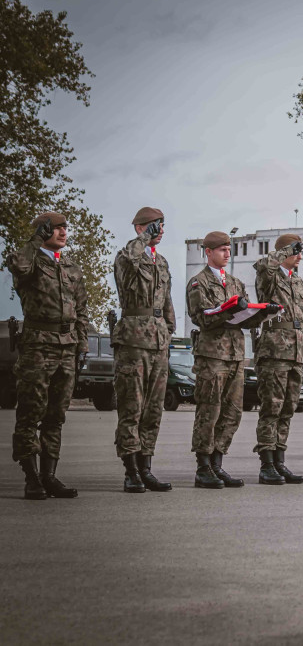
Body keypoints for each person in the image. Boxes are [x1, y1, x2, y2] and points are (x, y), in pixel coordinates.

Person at [7, 212, 88, 500]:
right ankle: (31, 478)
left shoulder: (72, 267)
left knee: (56, 415)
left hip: (66, 346)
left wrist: (82, 345)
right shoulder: (28, 260)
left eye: (66, 227)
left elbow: (81, 311)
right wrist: (35, 238)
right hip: (38, 346)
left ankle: (49, 476)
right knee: (30, 412)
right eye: (56, 228)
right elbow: (17, 264)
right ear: (43, 232)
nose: (64, 232)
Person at [112, 207, 175, 493]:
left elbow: (167, 302)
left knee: (153, 410)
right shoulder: (128, 256)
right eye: (153, 226)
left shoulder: (161, 262)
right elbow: (130, 259)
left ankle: (146, 467)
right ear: (139, 228)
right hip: (134, 343)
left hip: (159, 342)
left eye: (162, 226)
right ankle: (130, 470)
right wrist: (143, 239)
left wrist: (169, 330)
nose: (160, 231)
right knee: (132, 408)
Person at [186, 231, 249, 489]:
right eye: (222, 249)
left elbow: (244, 314)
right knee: (209, 411)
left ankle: (217, 463)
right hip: (212, 355)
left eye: (228, 249)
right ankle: (203, 467)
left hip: (235, 354)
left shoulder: (235, 283)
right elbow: (201, 317)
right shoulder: (198, 283)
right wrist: (227, 311)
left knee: (232, 412)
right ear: (208, 252)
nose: (227, 253)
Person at [252, 233, 303, 485]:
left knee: (288, 408)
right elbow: (266, 265)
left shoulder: (298, 281)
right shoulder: (269, 276)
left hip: (295, 351)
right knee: (271, 408)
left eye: (300, 250)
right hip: (274, 350)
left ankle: (279, 460)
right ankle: (266, 464)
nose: (299, 255)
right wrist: (284, 251)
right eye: (295, 250)